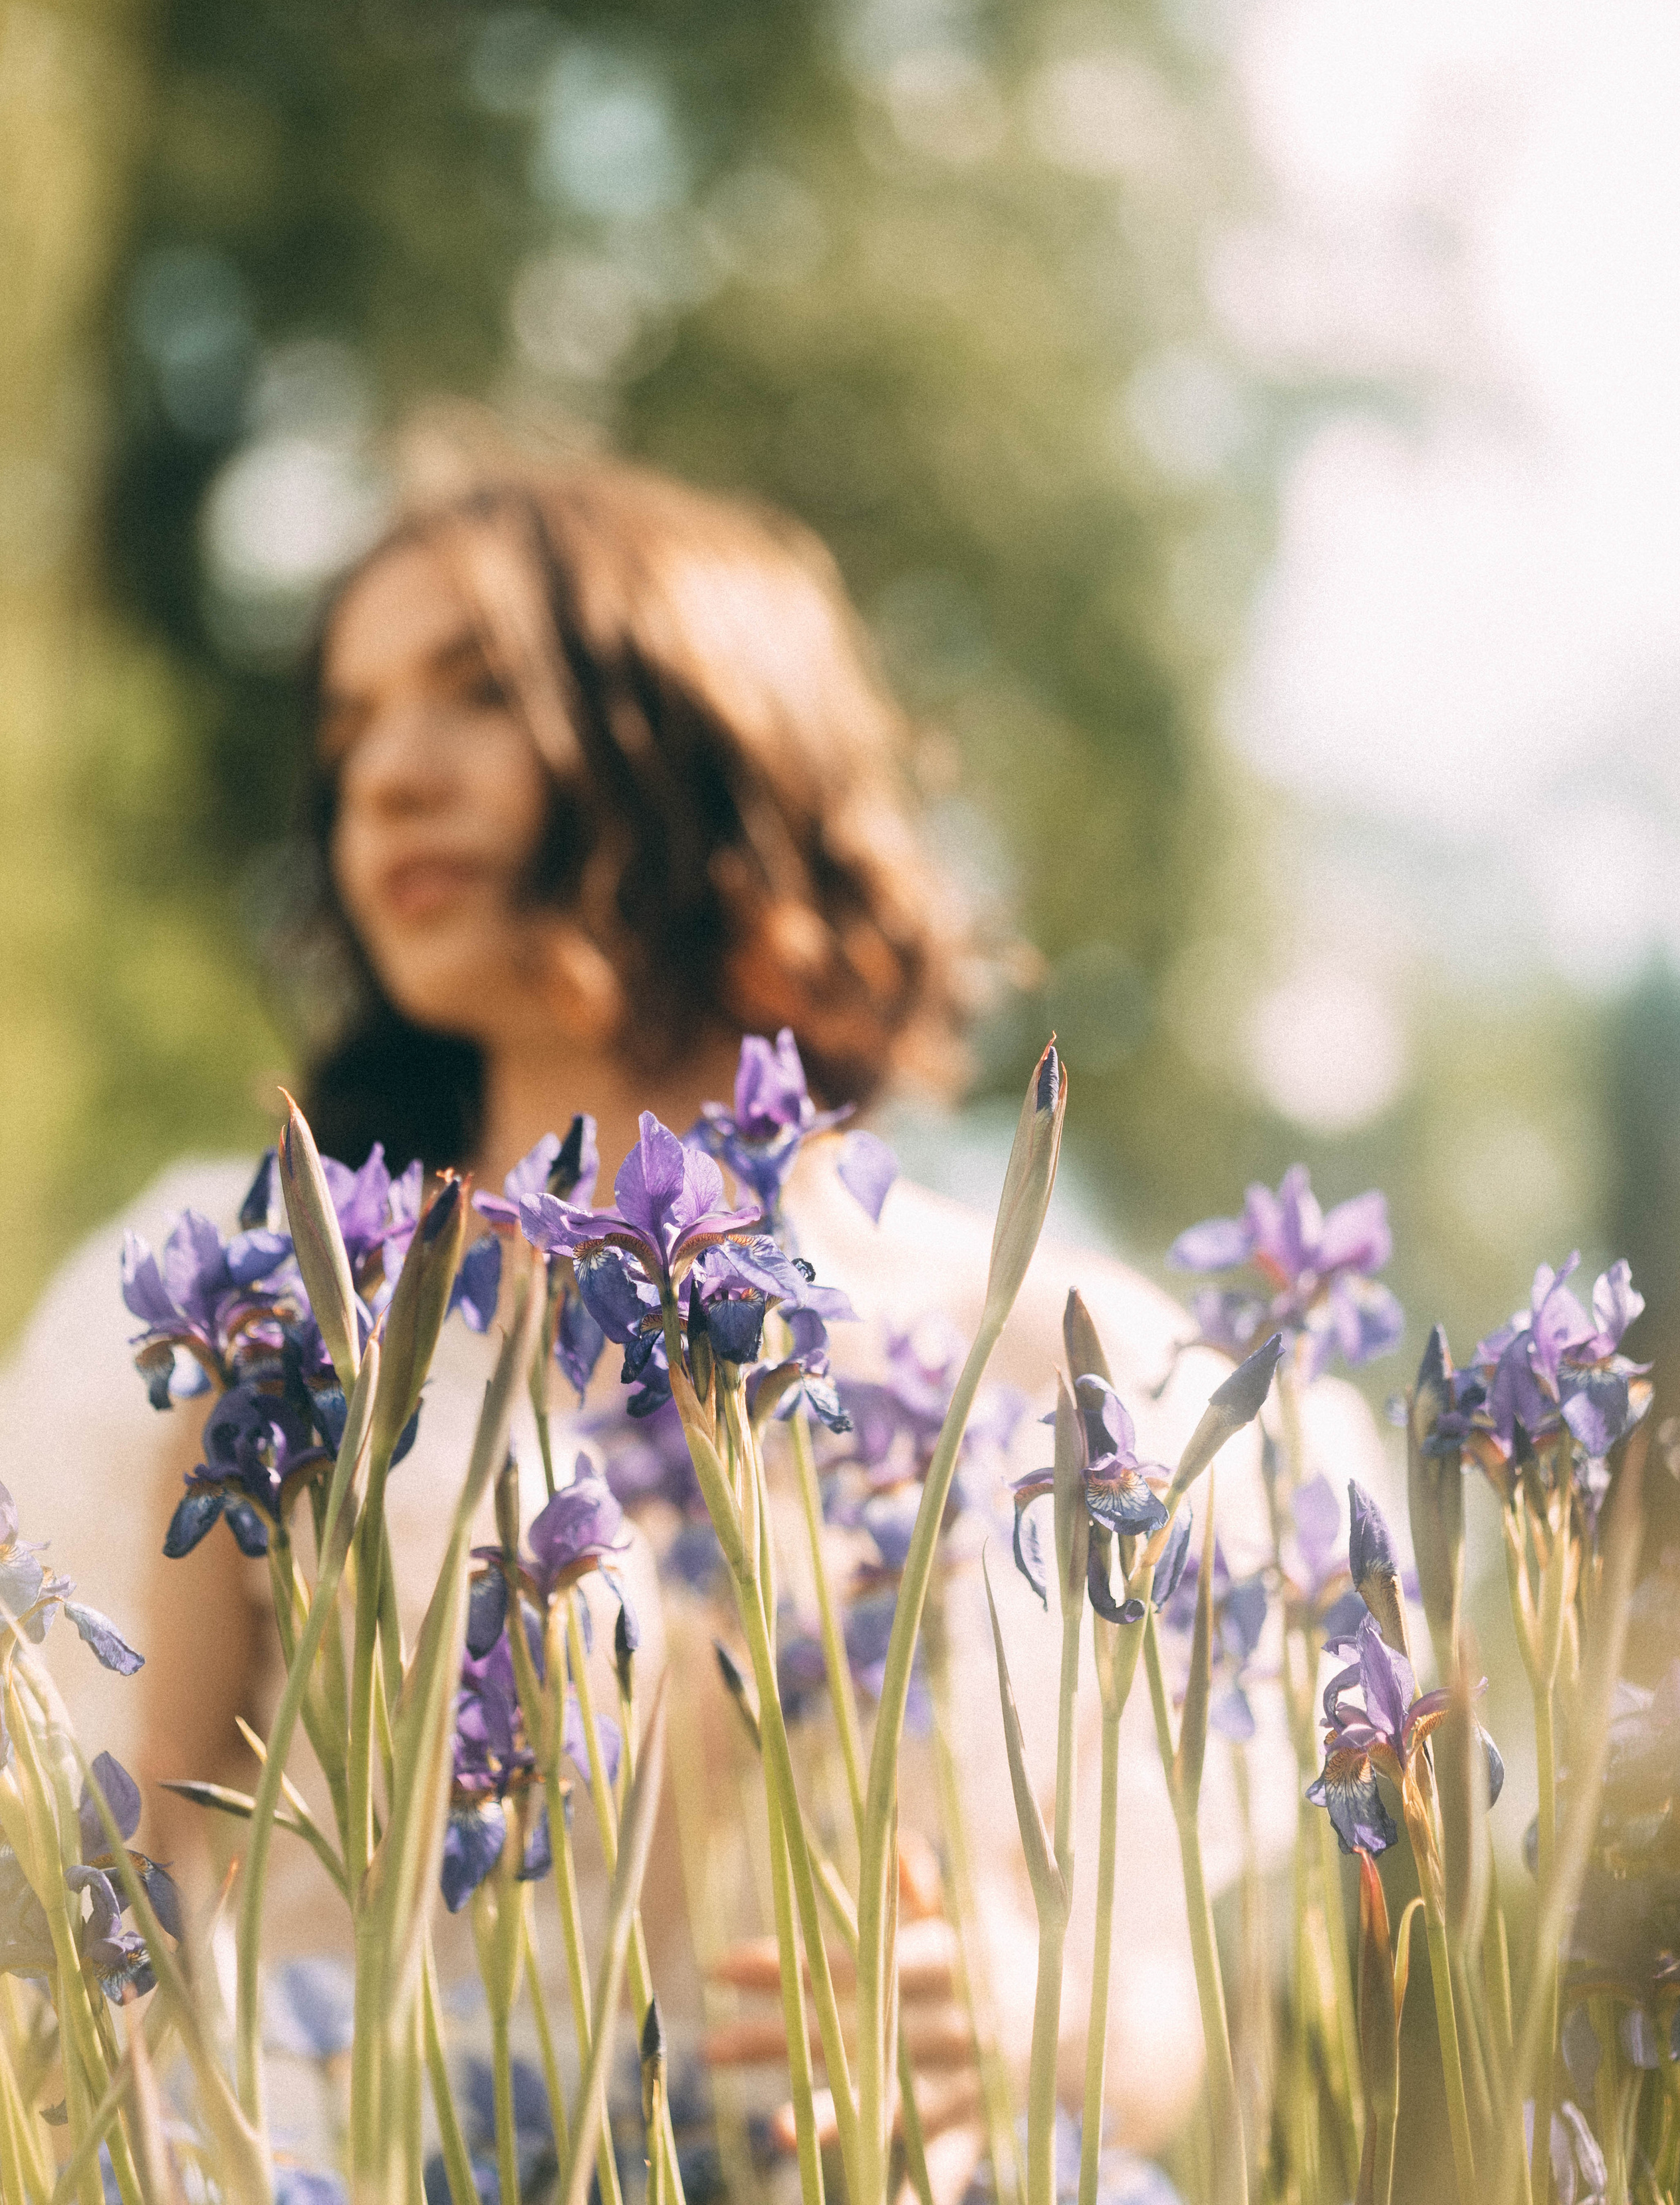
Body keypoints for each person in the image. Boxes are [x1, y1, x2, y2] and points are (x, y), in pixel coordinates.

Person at [0, 404, 1384, 2180]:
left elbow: (1157, 2025)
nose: (389, 779)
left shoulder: (1028, 1341)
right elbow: (127, 1897)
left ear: (716, 736)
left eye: (480, 691)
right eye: (351, 731)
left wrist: (1042, 2010)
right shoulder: (293, 1293)